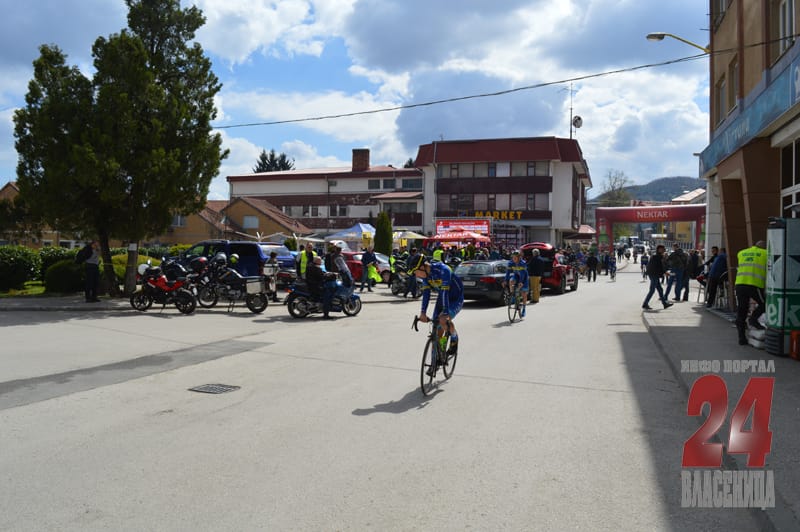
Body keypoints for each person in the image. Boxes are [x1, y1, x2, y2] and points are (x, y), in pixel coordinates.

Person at [409, 255, 464, 372]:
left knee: (443, 321)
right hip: (442, 299)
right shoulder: (426, 276)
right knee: (436, 328)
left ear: (423, 267)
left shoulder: (443, 270)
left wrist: (445, 313)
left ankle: (454, 338)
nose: (416, 275)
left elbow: (444, 292)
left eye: (416, 272)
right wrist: (423, 313)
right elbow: (426, 294)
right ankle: (435, 361)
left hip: (455, 298)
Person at [734, 240, 767, 345]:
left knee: (742, 310)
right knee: (765, 304)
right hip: (754, 284)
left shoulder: (741, 253)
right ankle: (753, 319)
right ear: (764, 247)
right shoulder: (766, 253)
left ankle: (741, 338)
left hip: (739, 284)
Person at [642, 245, 673, 310]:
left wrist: (664, 272)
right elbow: (659, 267)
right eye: (663, 249)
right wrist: (665, 272)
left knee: (660, 289)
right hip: (653, 275)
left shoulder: (657, 256)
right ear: (659, 249)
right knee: (652, 290)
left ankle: (664, 304)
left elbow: (659, 267)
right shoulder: (657, 257)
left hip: (654, 274)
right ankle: (645, 303)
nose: (664, 250)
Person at [502, 251, 529, 317]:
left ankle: (524, 309)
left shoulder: (523, 263)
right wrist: (505, 280)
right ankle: (513, 295)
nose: (513, 259)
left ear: (519, 257)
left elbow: (523, 274)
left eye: (515, 258)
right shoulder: (511, 263)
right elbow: (508, 272)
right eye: (513, 257)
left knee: (524, 294)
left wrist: (521, 282)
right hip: (516, 276)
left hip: (524, 278)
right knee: (511, 281)